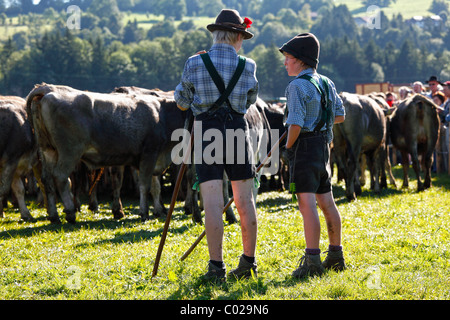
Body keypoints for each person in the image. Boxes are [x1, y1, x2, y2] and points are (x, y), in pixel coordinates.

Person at [174, 9, 259, 282]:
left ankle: (216, 268)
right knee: (245, 202)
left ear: (215, 34)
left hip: (207, 133)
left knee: (212, 203)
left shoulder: (194, 63)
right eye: (242, 37)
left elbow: (182, 102)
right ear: (236, 36)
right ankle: (248, 262)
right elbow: (249, 102)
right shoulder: (249, 66)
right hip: (236, 131)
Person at [279, 33, 346, 279]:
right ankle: (336, 255)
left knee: (307, 206)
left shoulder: (296, 85)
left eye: (288, 58)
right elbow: (340, 115)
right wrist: (319, 120)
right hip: (323, 147)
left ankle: (313, 260)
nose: (285, 63)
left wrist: (288, 147)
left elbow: (295, 124)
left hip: (305, 148)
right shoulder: (327, 82)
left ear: (301, 60)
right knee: (327, 202)